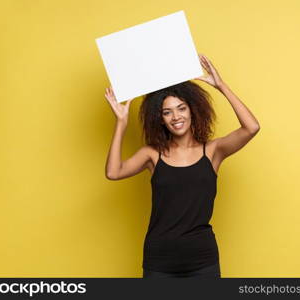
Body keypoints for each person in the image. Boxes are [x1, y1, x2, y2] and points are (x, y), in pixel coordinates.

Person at [104, 54, 260, 278]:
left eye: (181, 108)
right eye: (167, 112)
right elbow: (113, 172)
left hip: (202, 260)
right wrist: (121, 123)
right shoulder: (152, 154)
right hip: (159, 260)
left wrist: (221, 86)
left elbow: (251, 127)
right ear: (160, 119)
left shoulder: (213, 151)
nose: (175, 116)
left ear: (192, 111)